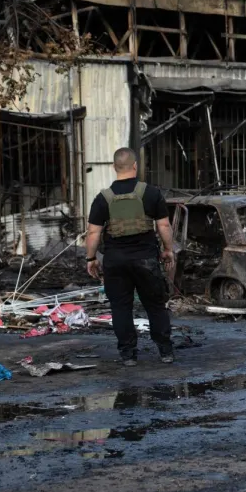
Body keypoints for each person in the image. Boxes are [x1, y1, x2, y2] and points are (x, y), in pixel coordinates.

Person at [85, 147, 175, 365]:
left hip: (115, 261)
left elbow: (93, 232)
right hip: (146, 260)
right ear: (135, 166)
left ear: (114, 167)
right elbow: (163, 225)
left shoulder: (103, 198)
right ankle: (165, 352)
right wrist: (168, 250)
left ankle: (128, 355)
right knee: (155, 305)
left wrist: (91, 258)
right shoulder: (151, 193)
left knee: (121, 307)